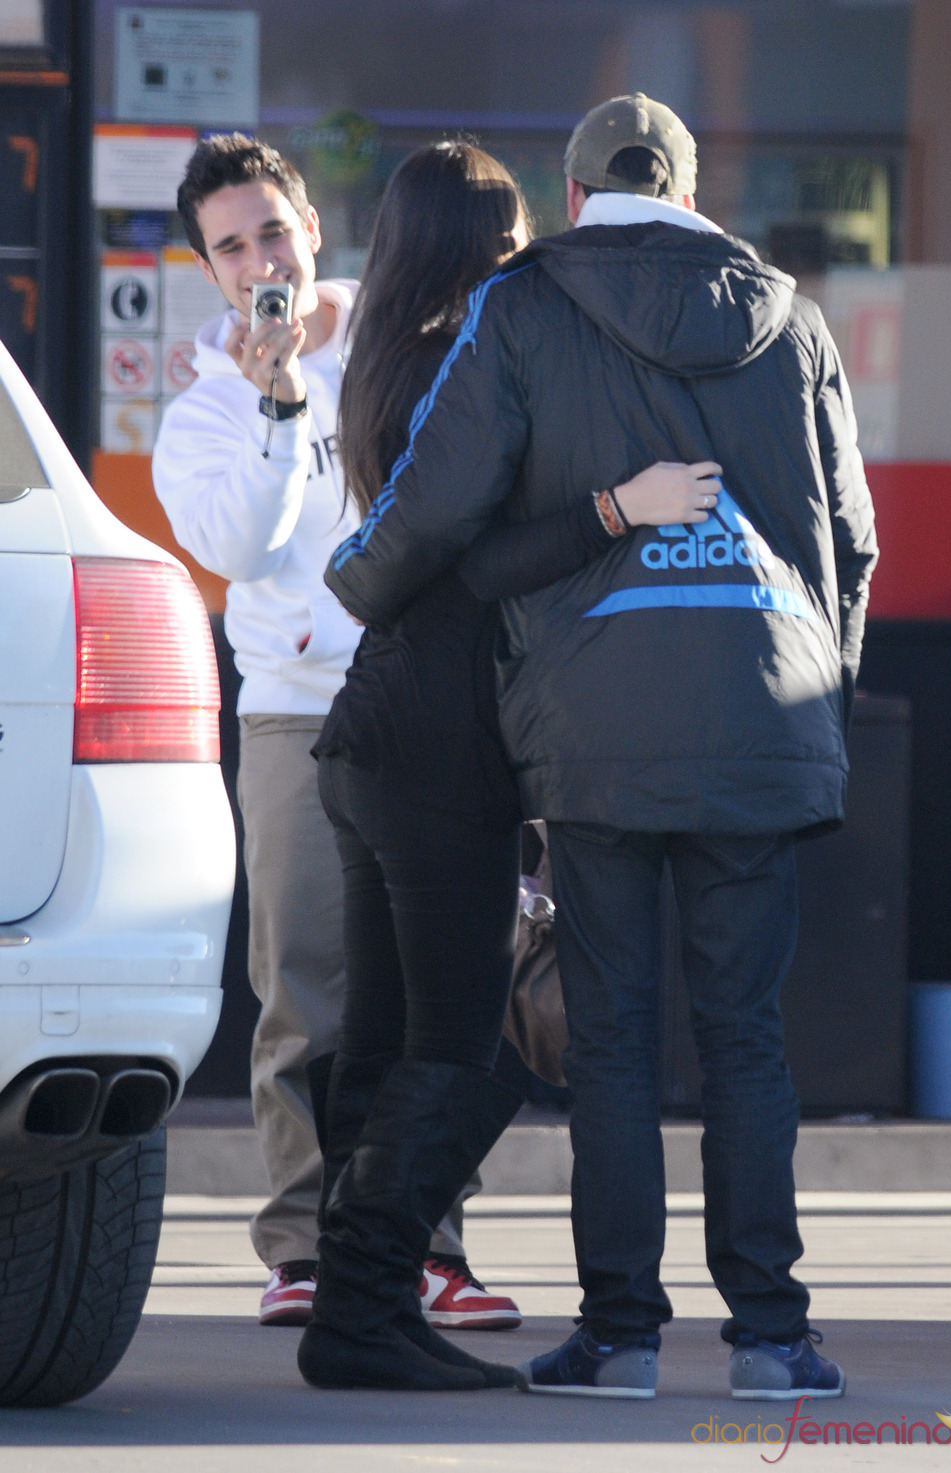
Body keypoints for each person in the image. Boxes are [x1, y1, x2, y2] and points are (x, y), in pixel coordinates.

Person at [319, 97, 878, 1401]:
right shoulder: (792, 318)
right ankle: (773, 1339)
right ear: (690, 187)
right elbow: (850, 538)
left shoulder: (524, 308)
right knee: (746, 1036)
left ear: (572, 196)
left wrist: (355, 579)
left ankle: (621, 1335)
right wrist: (818, 711)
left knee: (615, 1036)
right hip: (763, 723)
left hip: (593, 730)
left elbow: (435, 503)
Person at [296, 139, 721, 1394]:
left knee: (380, 1042)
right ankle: (365, 1302)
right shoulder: (462, 358)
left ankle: (354, 1309)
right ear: (484, 246)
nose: (532, 252)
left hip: (375, 732)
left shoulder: (387, 357)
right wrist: (615, 508)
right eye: (515, 234)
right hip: (435, 743)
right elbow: (472, 565)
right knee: (468, 1045)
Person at [151, 133, 517, 1333]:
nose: (262, 258)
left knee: (431, 996)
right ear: (207, 269)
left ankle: (423, 1244)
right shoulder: (203, 416)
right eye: (232, 245)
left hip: (426, 700)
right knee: (302, 991)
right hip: (296, 716)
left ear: (315, 226)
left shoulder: (413, 341)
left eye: (274, 230)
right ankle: (306, 1243)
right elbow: (244, 551)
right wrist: (274, 405)